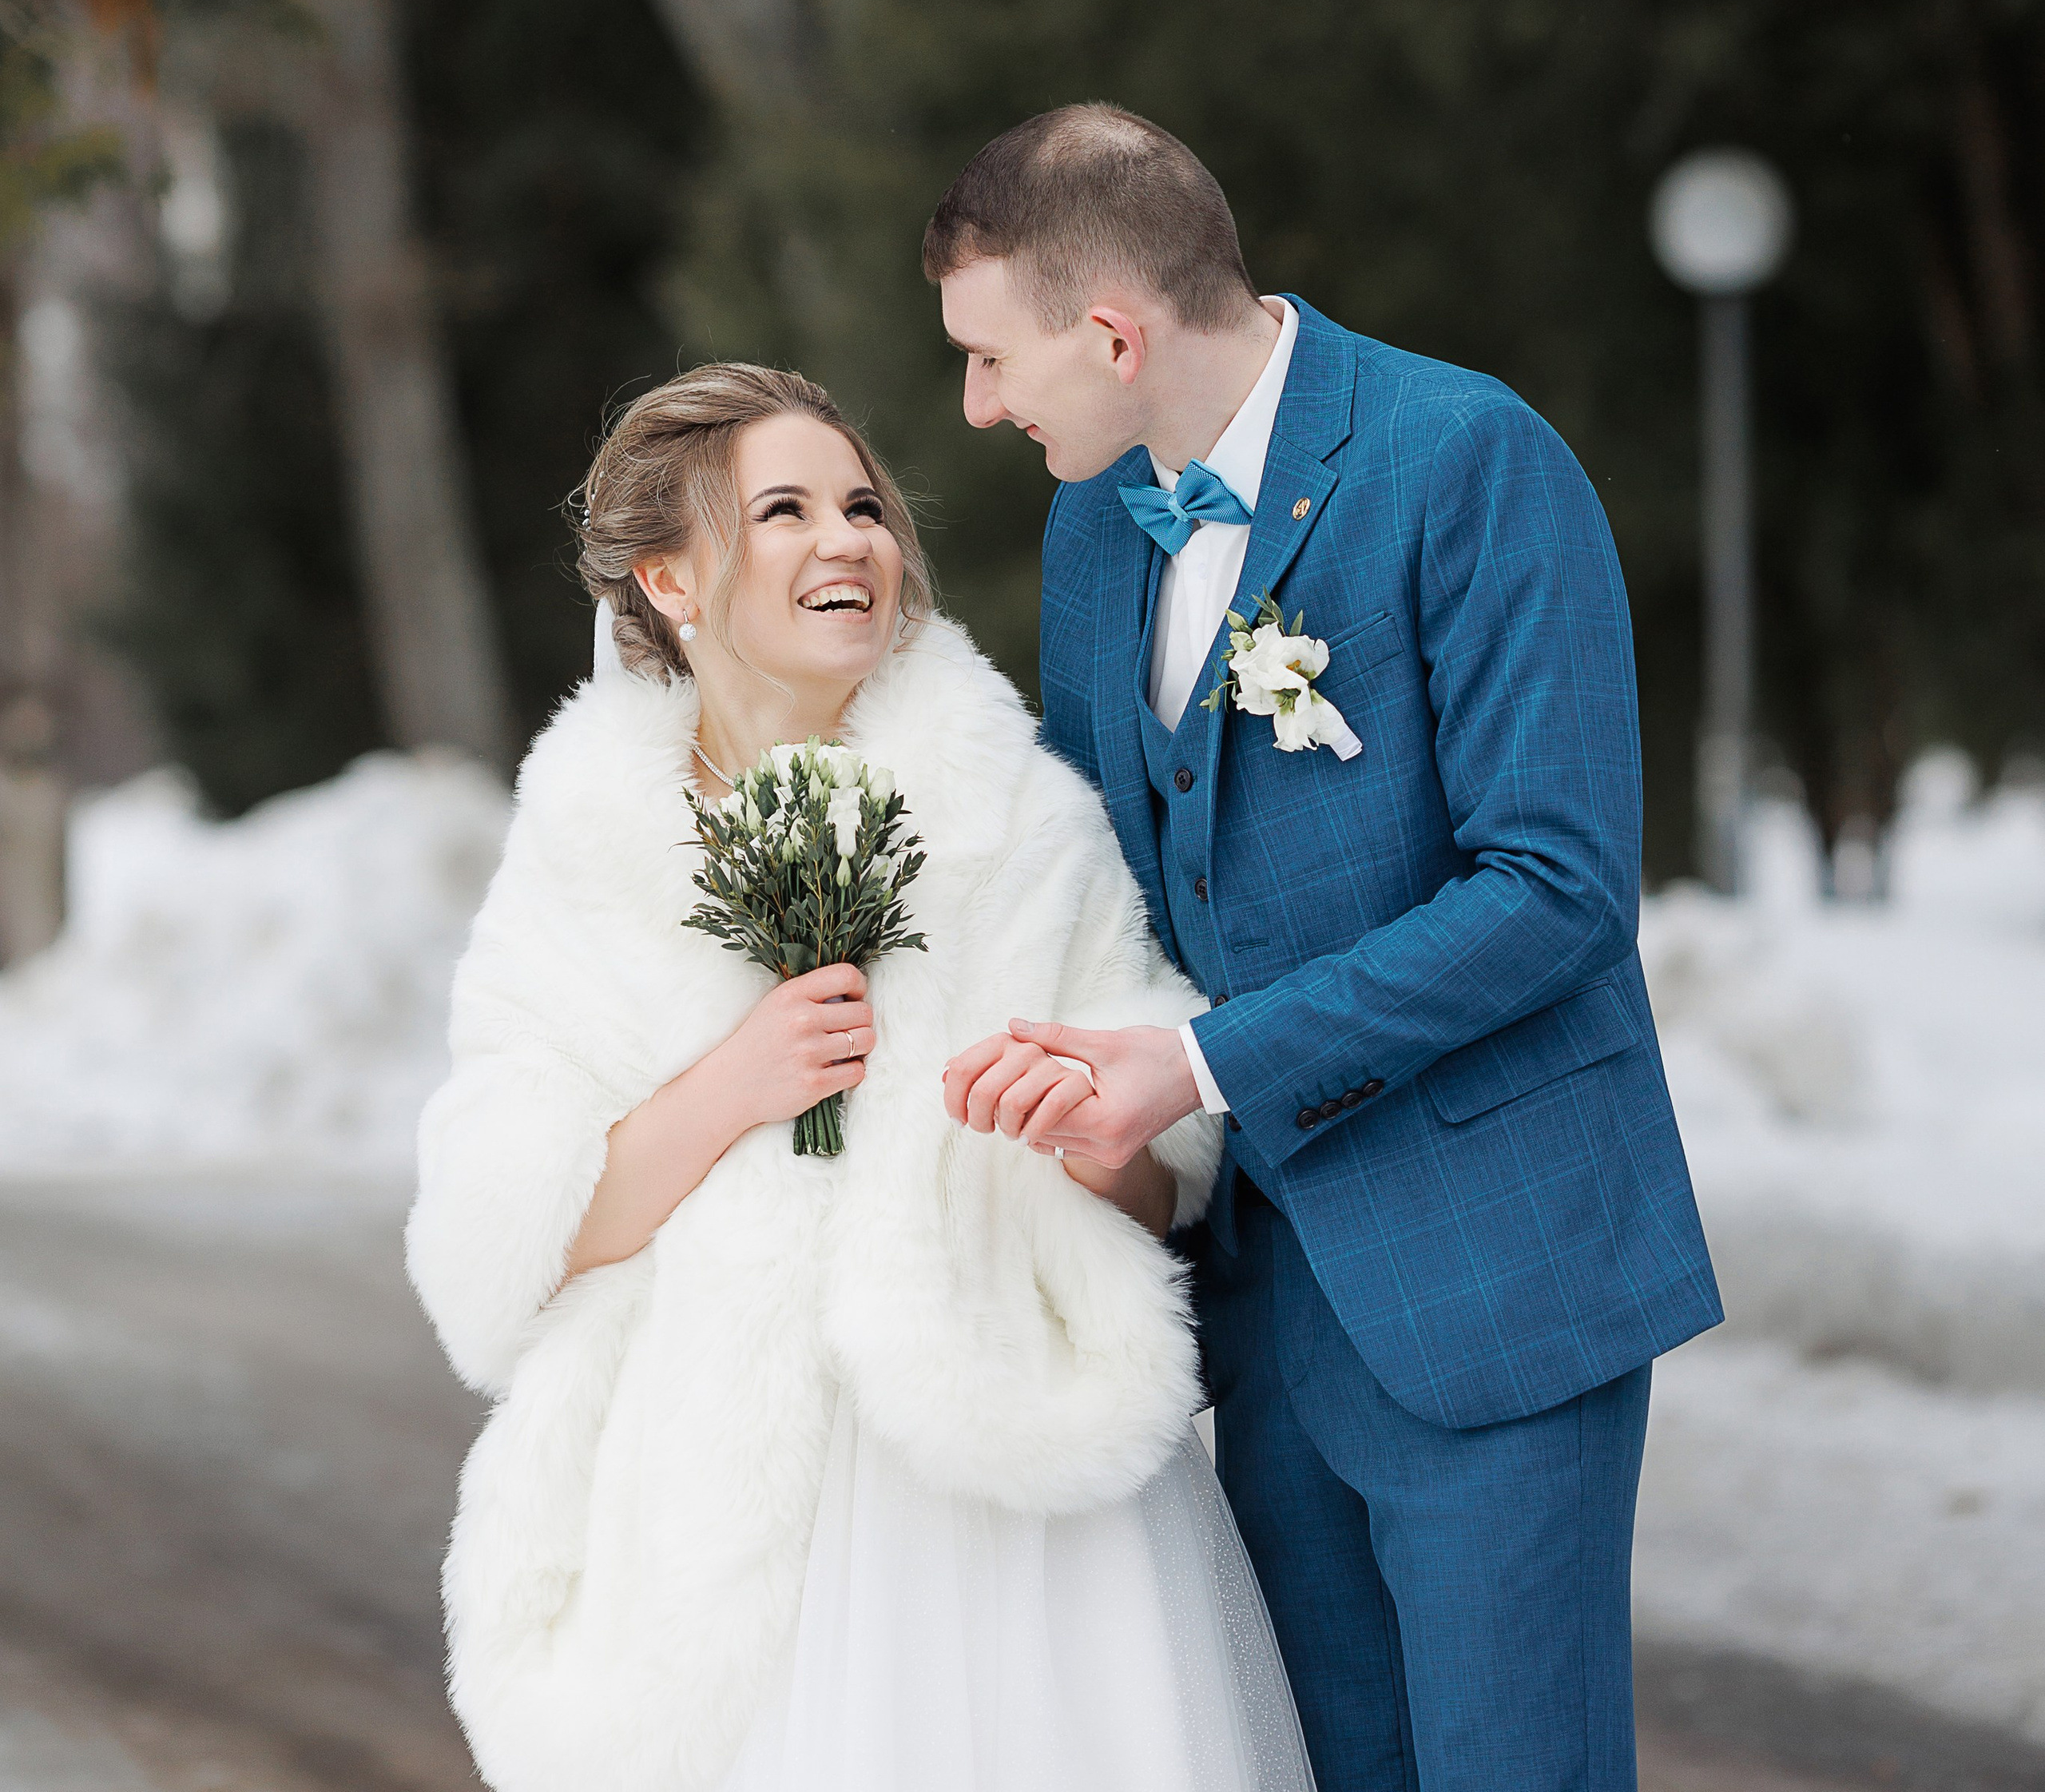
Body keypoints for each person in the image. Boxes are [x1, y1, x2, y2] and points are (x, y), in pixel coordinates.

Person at [928, 105, 1724, 1792]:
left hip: (1491, 1281)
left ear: (1113, 334)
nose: (978, 407)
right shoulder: (1094, 525)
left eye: (994, 361)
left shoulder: (1465, 457)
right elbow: (1100, 871)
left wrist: (1201, 1063)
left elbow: (1557, 889)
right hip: (1263, 1311)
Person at [407, 360, 1314, 1792]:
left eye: (863, 507)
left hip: (1000, 1499)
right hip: (712, 1509)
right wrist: (733, 1084)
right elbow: (502, 1249)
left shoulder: (1022, 818)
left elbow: (1149, 1202)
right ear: (670, 581)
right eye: (785, 511)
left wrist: (1093, 1138)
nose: (851, 542)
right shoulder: (585, 854)